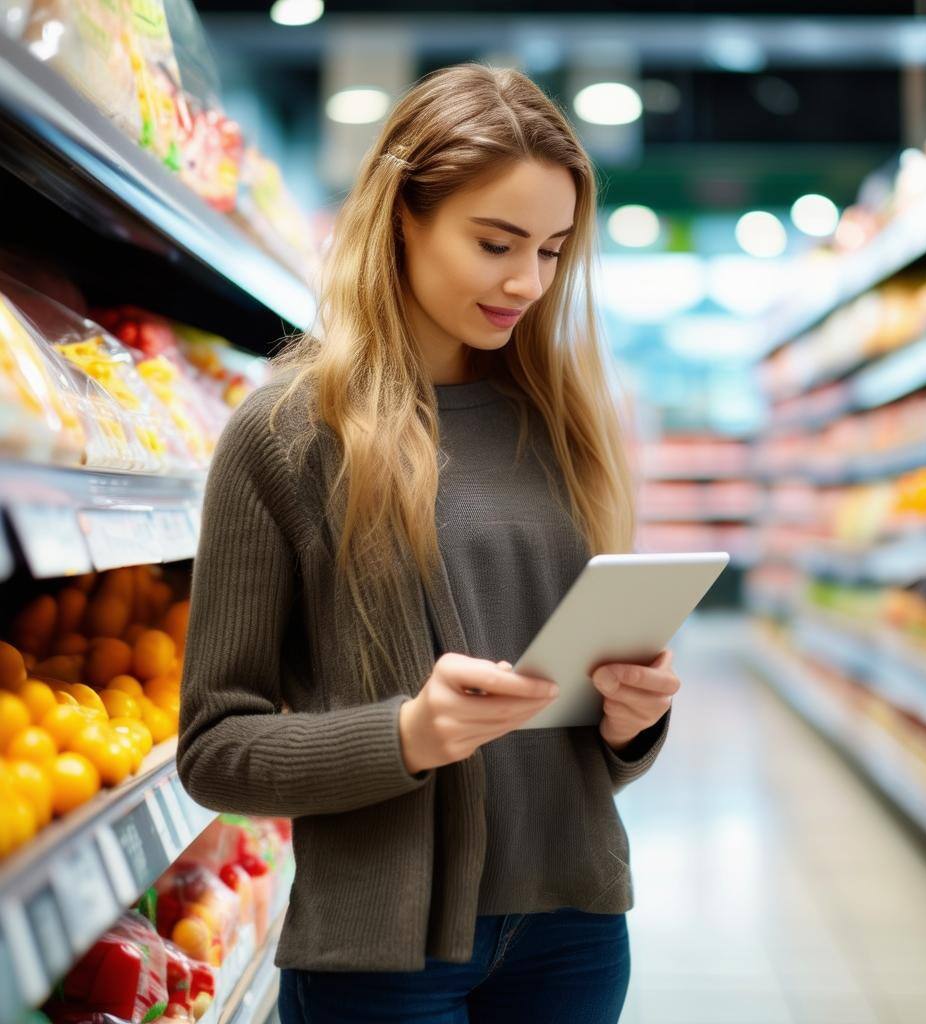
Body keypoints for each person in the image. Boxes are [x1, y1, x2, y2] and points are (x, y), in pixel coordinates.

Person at [176, 62, 681, 1023]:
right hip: (381, 960)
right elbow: (215, 747)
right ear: (402, 215)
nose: (527, 282)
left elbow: (586, 732)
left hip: (574, 932)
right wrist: (407, 735)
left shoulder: (563, 427)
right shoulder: (286, 434)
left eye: (553, 250)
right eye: (496, 243)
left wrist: (632, 720)